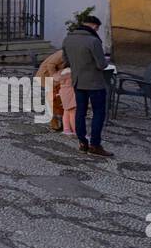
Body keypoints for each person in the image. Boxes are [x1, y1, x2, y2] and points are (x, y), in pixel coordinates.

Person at [63, 14, 113, 157]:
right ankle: (95, 145)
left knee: (80, 112)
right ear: (93, 26)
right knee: (98, 112)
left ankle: (82, 142)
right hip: (95, 83)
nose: (97, 31)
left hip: (78, 81)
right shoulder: (93, 41)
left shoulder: (68, 39)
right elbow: (101, 64)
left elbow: (66, 61)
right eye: (97, 28)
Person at [34, 49, 67, 131]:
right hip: (47, 76)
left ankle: (62, 121)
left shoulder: (71, 53)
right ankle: (54, 123)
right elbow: (50, 64)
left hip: (57, 78)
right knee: (52, 99)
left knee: (59, 99)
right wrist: (54, 77)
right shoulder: (62, 53)